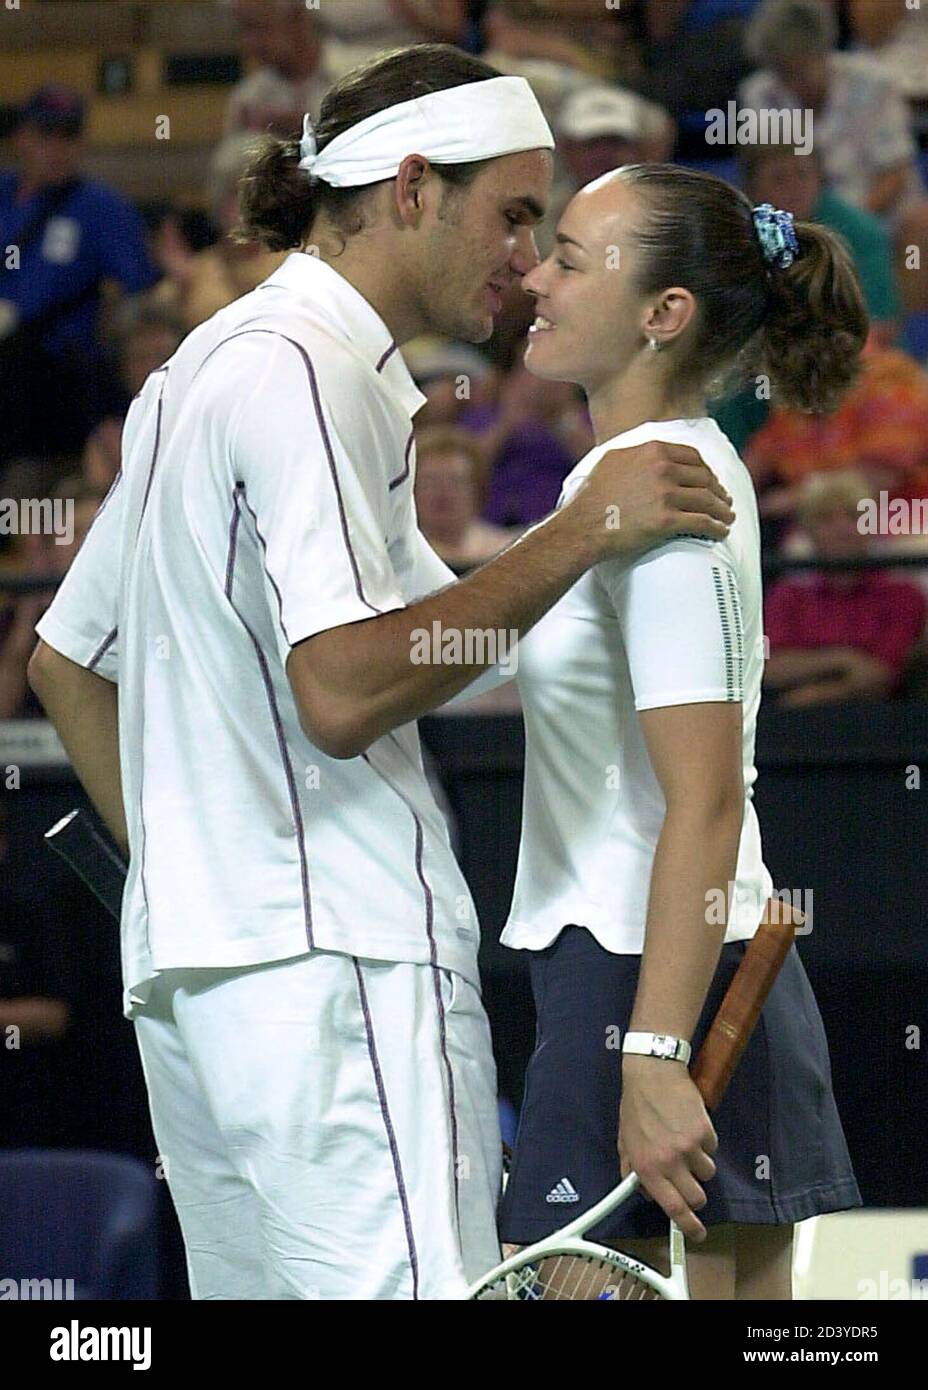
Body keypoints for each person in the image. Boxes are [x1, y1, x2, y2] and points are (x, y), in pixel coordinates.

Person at [26, 45, 734, 1302]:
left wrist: (201, 877)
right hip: (339, 965)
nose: (528, 256)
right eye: (515, 214)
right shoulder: (305, 372)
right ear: (412, 188)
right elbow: (345, 692)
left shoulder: (200, 364)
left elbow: (65, 664)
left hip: (198, 989)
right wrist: (584, 529)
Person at [497, 163, 868, 1299]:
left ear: (665, 315)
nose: (535, 277)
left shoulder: (660, 488)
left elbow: (704, 797)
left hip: (649, 982)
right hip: (645, 970)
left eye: (569, 257)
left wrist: (653, 1056)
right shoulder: (624, 480)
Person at [0, 86, 158, 462]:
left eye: (68, 136)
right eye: (46, 135)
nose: (57, 148)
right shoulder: (3, 193)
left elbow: (142, 288)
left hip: (52, 376)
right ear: (22, 137)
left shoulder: (102, 209)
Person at [740, 0, 928, 313]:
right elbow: (763, 173)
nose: (791, 80)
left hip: (876, 210)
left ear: (822, 51)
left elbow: (896, 172)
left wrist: (848, 224)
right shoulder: (758, 93)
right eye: (782, 70)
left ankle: (899, 334)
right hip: (800, 208)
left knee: (921, 223)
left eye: (799, 68)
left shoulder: (875, 82)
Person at [764, 470, 927, 707]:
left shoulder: (903, 595)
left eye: (853, 517)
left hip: (883, 730)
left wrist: (811, 696)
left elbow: (881, 675)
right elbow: (769, 668)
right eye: (826, 518)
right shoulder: (787, 596)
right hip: (793, 729)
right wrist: (845, 659)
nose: (842, 529)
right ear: (808, 530)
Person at [413, 425, 516, 569]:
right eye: (430, 481)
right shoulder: (400, 556)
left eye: (456, 481)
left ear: (478, 489)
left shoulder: (510, 550)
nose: (443, 492)